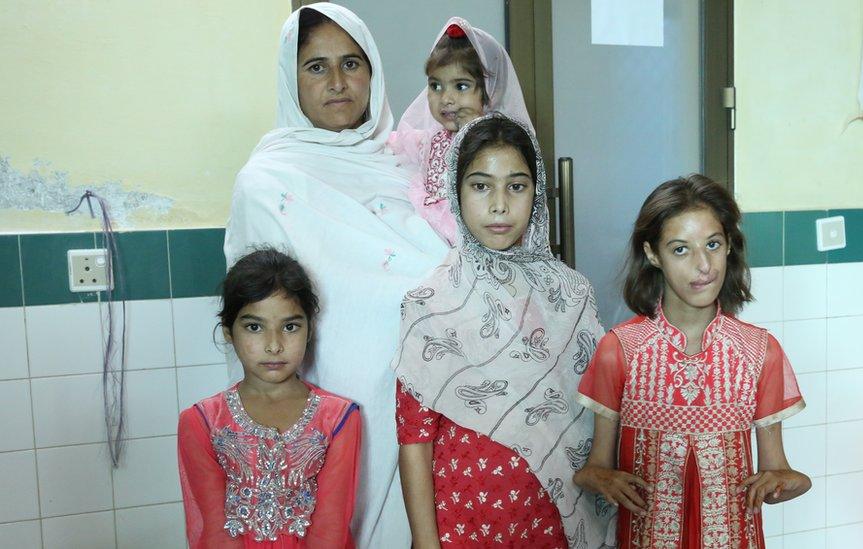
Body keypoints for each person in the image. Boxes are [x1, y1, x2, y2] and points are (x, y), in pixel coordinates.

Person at [223, 4, 448, 547]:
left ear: (373, 72)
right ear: (290, 78)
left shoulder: (412, 165)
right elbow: (258, 315)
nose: (339, 82)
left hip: (430, 396)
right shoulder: (266, 180)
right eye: (316, 67)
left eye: (352, 63)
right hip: (328, 397)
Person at [394, 114, 609, 548]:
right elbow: (414, 437)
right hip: (464, 517)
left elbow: (594, 412)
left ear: (537, 193)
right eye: (480, 186)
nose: (499, 204)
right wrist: (424, 540)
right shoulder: (429, 302)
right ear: (456, 193)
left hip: (552, 514)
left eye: (516, 186)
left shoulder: (570, 294)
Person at [573, 175, 811, 548]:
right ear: (653, 254)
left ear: (729, 245)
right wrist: (604, 479)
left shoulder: (759, 351)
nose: (704, 265)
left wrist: (788, 481)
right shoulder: (620, 349)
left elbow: (778, 471)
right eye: (681, 250)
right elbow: (593, 469)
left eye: (713, 244)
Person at [178, 248, 360, 548]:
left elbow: (331, 528)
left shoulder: (338, 419)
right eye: (254, 327)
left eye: (290, 327)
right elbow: (215, 530)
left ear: (309, 329)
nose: (274, 345)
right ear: (228, 331)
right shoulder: (202, 423)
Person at [391, 17, 532, 246]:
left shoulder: (500, 145)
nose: (446, 98)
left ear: (490, 90)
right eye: (436, 86)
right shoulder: (427, 140)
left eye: (461, 86)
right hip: (429, 242)